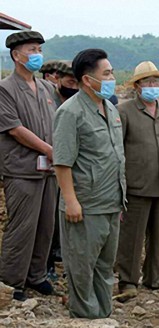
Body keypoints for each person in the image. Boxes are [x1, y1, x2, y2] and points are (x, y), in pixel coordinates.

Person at [53, 48, 126, 318]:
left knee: (105, 266)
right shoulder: (70, 113)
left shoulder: (110, 108)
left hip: (110, 202)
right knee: (82, 267)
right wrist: (70, 201)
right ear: (87, 79)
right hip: (85, 205)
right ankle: (86, 319)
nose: (111, 78)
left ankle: (103, 314)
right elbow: (62, 162)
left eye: (112, 73)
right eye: (106, 74)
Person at [0, 30, 57, 301]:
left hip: (49, 170)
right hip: (21, 169)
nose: (37, 55)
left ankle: (36, 276)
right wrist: (48, 149)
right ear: (16, 55)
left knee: (45, 226)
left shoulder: (46, 88)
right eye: (32, 50)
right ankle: (12, 281)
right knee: (22, 227)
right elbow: (15, 129)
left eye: (39, 50)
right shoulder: (5, 89)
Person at [115, 61, 159, 301]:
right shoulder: (125, 111)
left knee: (158, 236)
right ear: (137, 86)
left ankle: (154, 277)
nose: (153, 86)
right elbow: (117, 149)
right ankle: (128, 280)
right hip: (136, 185)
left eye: (156, 82)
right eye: (148, 82)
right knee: (132, 236)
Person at [47, 60, 79, 280]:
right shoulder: (50, 102)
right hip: (50, 168)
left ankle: (67, 263)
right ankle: (47, 262)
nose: (73, 86)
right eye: (70, 81)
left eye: (77, 82)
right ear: (57, 79)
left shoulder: (81, 103)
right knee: (50, 220)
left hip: (76, 170)